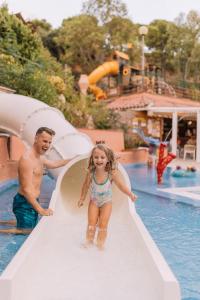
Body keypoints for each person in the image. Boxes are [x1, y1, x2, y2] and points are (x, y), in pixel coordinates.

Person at [0, 127, 72, 234]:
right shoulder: (27, 160)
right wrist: (41, 210)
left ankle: (3, 222)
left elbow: (53, 164)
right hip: (24, 202)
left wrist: (73, 159)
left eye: (49, 142)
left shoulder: (40, 157)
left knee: (31, 225)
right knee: (26, 231)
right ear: (36, 138)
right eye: (44, 141)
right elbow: (26, 190)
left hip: (32, 200)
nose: (47, 145)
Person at [77, 143, 137, 250]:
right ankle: (89, 242)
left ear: (108, 159)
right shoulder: (91, 173)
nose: (99, 160)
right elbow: (85, 186)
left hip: (106, 202)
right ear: (92, 159)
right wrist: (82, 198)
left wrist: (130, 194)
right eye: (96, 157)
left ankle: (100, 244)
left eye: (102, 157)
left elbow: (121, 185)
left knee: (103, 225)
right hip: (94, 201)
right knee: (91, 224)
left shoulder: (111, 173)